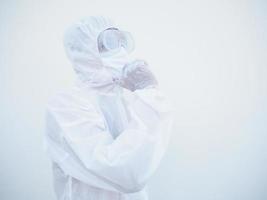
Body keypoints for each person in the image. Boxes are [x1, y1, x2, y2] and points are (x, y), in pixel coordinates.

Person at [44, 16, 173, 200]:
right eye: (108, 43)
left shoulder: (124, 98)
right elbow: (127, 173)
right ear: (84, 51)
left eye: (121, 42)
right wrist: (150, 96)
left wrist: (142, 95)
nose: (119, 50)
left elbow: (145, 160)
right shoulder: (65, 106)